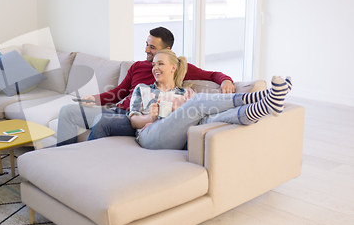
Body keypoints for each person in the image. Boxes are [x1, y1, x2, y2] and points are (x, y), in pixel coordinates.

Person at [56, 27, 235, 146]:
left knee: (102, 122)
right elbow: (119, 93)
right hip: (118, 111)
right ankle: (62, 157)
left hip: (136, 119)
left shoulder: (175, 68)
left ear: (168, 50)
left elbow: (212, 75)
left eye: (152, 47)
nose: (146, 50)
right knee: (67, 111)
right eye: (146, 45)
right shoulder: (137, 66)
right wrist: (95, 99)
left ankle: (82, 161)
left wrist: (226, 80)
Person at [130, 49, 292, 150]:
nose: (155, 68)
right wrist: (151, 116)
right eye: (153, 65)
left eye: (160, 64)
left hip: (180, 139)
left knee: (215, 118)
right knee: (199, 103)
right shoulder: (143, 89)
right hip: (150, 136)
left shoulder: (187, 93)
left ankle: (266, 106)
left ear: (173, 67)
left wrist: (176, 112)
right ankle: (264, 96)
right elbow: (134, 121)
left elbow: (193, 121)